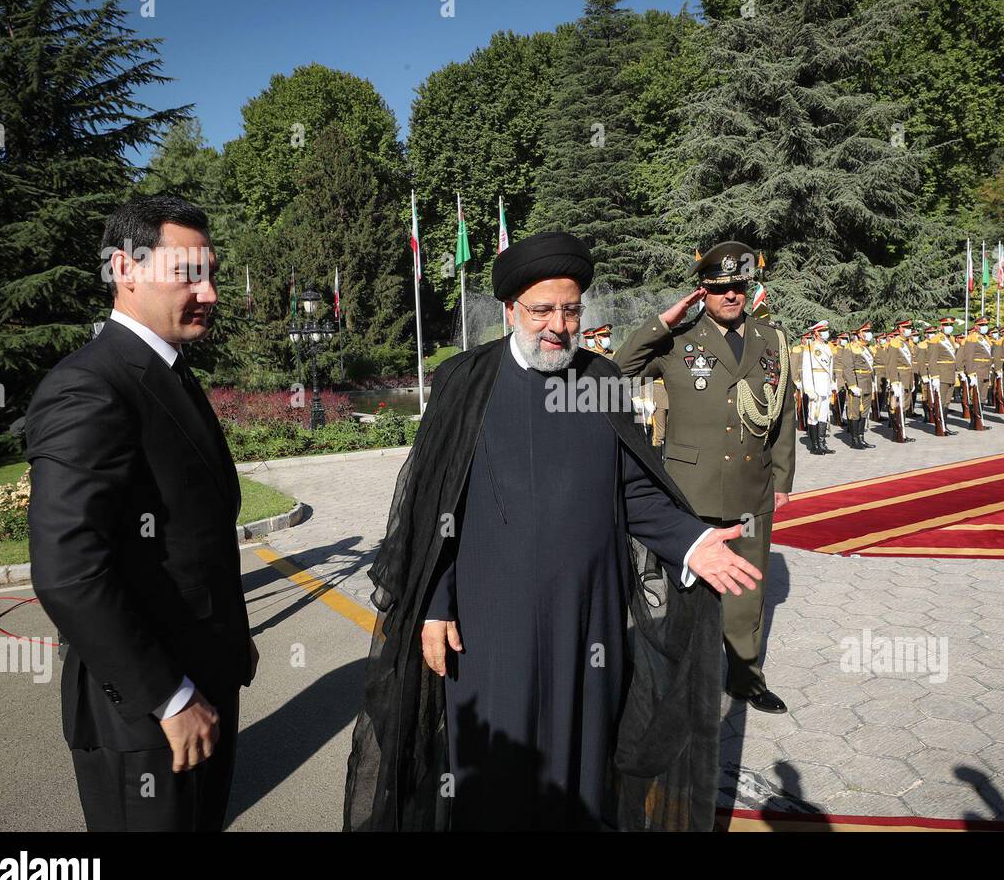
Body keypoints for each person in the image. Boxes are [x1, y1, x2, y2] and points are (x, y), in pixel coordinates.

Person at [344, 231, 761, 832]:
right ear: (509, 310)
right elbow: (430, 510)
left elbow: (635, 490)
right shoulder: (463, 382)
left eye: (570, 309)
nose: (558, 326)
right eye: (542, 310)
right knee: (494, 777)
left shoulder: (601, 381)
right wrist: (435, 606)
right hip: (489, 630)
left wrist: (691, 540)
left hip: (586, 624)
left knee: (582, 774)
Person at [26, 195, 257, 831]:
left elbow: (192, 538)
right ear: (126, 270)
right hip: (149, 719)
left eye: (210, 272)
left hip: (203, 686)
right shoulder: (91, 385)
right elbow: (69, 570)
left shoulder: (170, 372)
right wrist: (169, 695)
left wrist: (229, 643)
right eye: (189, 274)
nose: (209, 292)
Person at [614, 241, 795, 714]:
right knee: (686, 590)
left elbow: (784, 415)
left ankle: (745, 677)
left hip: (752, 490)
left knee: (748, 590)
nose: (731, 295)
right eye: (720, 288)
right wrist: (663, 322)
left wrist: (782, 478)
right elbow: (618, 371)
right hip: (690, 492)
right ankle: (679, 681)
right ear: (703, 292)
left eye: (739, 286)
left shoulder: (771, 341)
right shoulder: (676, 342)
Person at [796, 321, 836, 454]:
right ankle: (814, 446)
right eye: (823, 330)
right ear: (816, 333)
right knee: (813, 415)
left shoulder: (827, 347)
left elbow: (829, 368)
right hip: (815, 386)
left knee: (824, 415)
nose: (826, 332)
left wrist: (831, 383)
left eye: (826, 330)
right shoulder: (810, 347)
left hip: (825, 385)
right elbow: (806, 369)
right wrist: (809, 389)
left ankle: (822, 443)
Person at [926, 316, 960, 436]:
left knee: (946, 403)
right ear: (941, 326)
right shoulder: (935, 339)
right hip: (941, 375)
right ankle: (939, 427)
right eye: (946, 325)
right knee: (940, 402)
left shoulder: (950, 339)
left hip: (950, 374)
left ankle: (944, 425)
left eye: (951, 325)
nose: (949, 327)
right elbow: (932, 360)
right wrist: (934, 376)